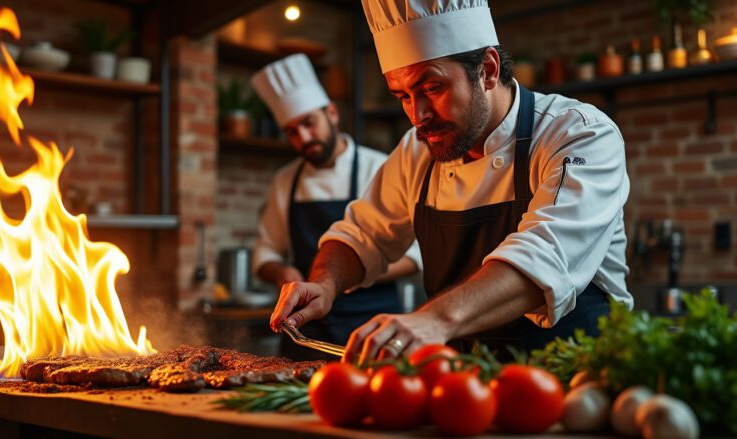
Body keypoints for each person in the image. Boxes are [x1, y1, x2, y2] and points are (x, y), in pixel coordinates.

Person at [269, 0, 634, 365]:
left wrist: (433, 320)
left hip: (576, 384)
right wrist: (324, 283)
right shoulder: (418, 150)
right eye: (403, 97)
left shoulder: (577, 133)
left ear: (488, 70)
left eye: (432, 88)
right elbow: (363, 233)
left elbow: (545, 258)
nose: (418, 116)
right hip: (462, 394)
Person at [250, 53, 422, 359]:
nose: (303, 137)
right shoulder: (285, 181)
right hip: (304, 330)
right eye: (292, 131)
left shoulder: (380, 167)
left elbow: (414, 258)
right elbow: (265, 252)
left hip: (372, 326)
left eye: (308, 123)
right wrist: (283, 272)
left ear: (331, 113)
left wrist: (347, 274)